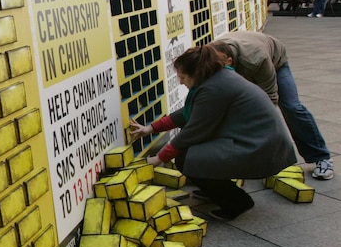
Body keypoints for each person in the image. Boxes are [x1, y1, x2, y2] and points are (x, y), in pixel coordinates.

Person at [129, 46, 296, 220]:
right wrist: (150, 128)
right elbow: (189, 112)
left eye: (183, 77)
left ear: (196, 73)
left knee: (186, 158)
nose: (180, 82)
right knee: (191, 154)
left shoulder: (214, 88)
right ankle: (215, 191)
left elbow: (194, 130)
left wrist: (159, 158)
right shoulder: (216, 78)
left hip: (261, 147)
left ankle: (237, 203)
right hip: (256, 139)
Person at [209, 32, 334, 180]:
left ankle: (322, 157)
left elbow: (269, 99)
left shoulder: (256, 60)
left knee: (291, 106)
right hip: (243, 60)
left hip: (275, 61)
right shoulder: (207, 58)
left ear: (229, 61)